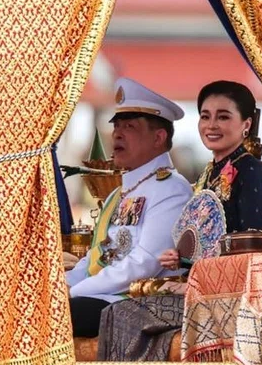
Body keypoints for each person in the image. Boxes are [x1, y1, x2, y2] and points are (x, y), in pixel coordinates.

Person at [97, 80, 262, 365]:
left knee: (124, 314)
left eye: (223, 116)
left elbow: (249, 250)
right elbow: (202, 243)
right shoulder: (209, 173)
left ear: (245, 124)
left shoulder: (251, 172)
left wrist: (191, 282)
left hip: (225, 298)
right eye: (205, 116)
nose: (211, 125)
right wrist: (181, 259)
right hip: (197, 290)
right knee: (113, 313)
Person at [64, 78, 192, 338]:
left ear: (159, 137)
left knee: (61, 316)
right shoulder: (118, 193)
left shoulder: (171, 188)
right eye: (117, 126)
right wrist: (62, 286)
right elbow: (95, 257)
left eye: (130, 126)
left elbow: (145, 262)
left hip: (136, 300)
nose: (117, 134)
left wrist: (77, 291)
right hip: (102, 294)